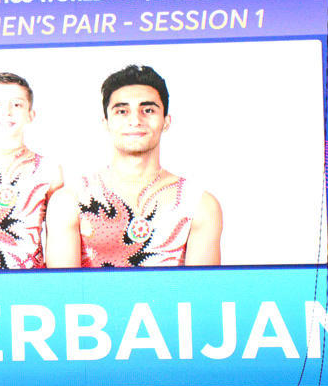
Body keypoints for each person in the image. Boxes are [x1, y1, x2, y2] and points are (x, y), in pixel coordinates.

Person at [45, 64, 222, 268]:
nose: (135, 120)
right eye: (122, 111)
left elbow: (201, 294)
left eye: (148, 110)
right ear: (106, 122)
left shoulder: (199, 205)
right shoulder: (70, 201)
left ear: (166, 121)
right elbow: (63, 294)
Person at [0, 72, 63, 269]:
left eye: (17, 105)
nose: (6, 112)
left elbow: (59, 239)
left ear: (31, 114)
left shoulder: (49, 170)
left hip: (32, 283)